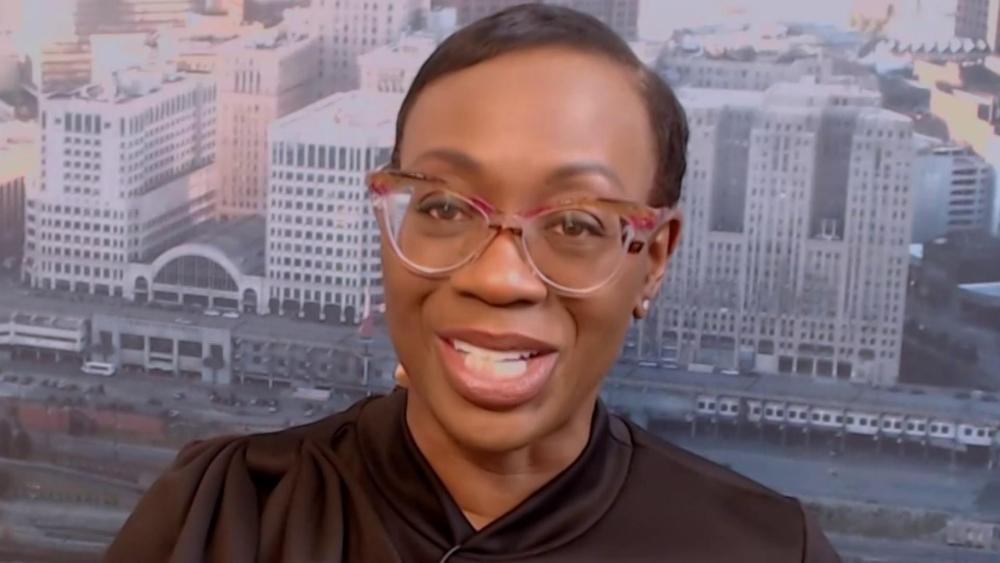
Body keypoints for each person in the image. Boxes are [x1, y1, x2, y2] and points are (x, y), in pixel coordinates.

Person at [104, 5, 842, 562]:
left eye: (576, 223)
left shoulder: (762, 550)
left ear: (652, 258)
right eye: (446, 208)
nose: (500, 277)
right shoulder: (226, 517)